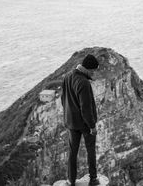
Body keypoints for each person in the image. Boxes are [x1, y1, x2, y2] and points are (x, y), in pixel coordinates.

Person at [61, 54, 101, 186]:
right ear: (88, 69)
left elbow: (63, 99)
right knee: (91, 150)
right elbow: (86, 108)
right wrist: (92, 126)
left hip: (71, 122)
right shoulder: (83, 83)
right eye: (94, 71)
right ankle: (93, 179)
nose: (94, 73)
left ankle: (70, 180)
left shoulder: (67, 76)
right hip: (84, 124)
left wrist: (69, 115)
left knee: (73, 152)